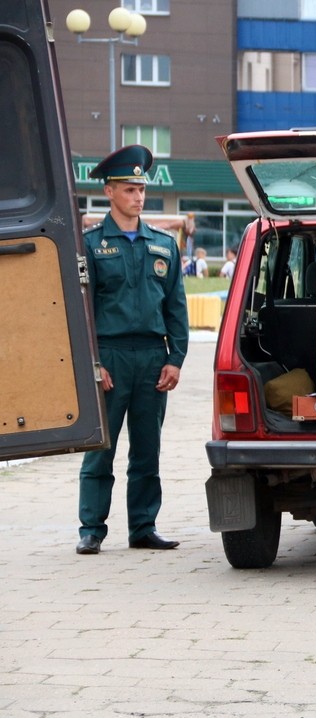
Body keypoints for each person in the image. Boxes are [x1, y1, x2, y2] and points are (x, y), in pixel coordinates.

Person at [76, 144, 189, 555]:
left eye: (141, 189)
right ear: (109, 192)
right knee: (100, 449)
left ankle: (143, 526)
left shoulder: (163, 244)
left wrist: (175, 359)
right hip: (110, 357)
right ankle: (91, 528)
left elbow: (176, 306)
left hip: (152, 359)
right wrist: (93, 363)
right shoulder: (90, 245)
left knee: (147, 449)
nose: (138, 197)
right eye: (128, 189)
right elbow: (80, 311)